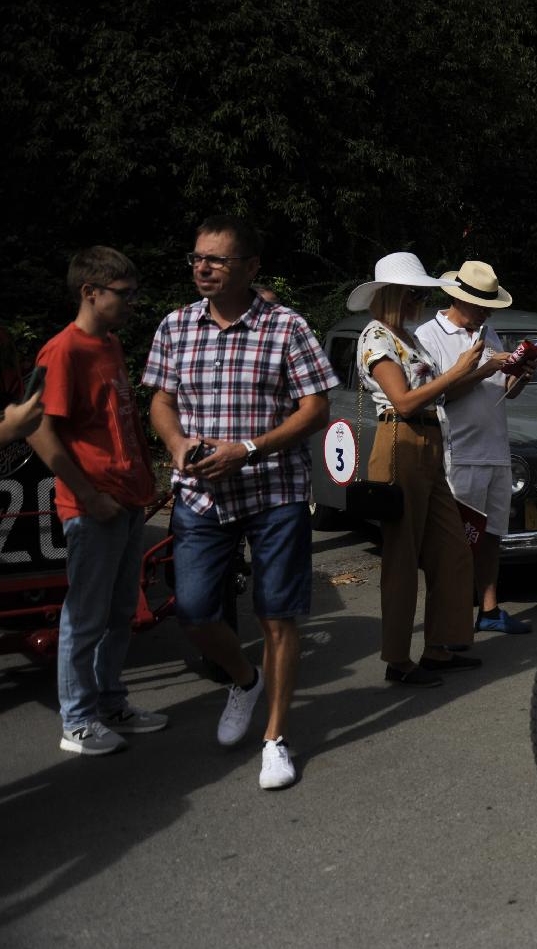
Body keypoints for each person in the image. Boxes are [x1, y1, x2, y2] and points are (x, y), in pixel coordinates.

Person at [144, 215, 337, 789]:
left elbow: (315, 409)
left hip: (274, 490)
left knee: (277, 614)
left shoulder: (286, 326)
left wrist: (248, 449)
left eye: (217, 260)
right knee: (195, 611)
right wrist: (177, 442)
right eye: (197, 258)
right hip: (201, 496)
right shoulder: (176, 326)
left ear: (250, 268)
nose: (202, 267)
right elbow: (160, 399)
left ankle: (274, 739)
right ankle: (245, 679)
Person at [28, 247, 164, 756]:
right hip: (93, 507)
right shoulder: (63, 350)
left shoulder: (107, 344)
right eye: (124, 295)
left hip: (125, 501)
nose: (132, 304)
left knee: (120, 611)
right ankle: (78, 721)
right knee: (85, 616)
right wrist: (88, 495)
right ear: (90, 292)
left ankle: (111, 703)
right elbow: (40, 431)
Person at [350, 253, 488, 686]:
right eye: (415, 293)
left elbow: (437, 394)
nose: (421, 301)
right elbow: (406, 400)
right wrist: (460, 372)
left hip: (427, 441)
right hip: (400, 442)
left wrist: (483, 369)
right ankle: (398, 658)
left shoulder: (405, 336)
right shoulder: (376, 337)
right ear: (394, 294)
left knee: (453, 549)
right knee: (403, 557)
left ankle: (439, 647)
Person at [415, 261, 534, 636]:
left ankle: (489, 609)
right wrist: (483, 369)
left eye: (488, 306)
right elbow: (438, 397)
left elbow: (501, 392)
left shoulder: (488, 332)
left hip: (495, 449)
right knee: (456, 542)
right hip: (458, 453)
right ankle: (450, 620)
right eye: (479, 304)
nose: (485, 312)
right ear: (456, 297)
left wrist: (519, 376)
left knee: (492, 535)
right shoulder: (427, 335)